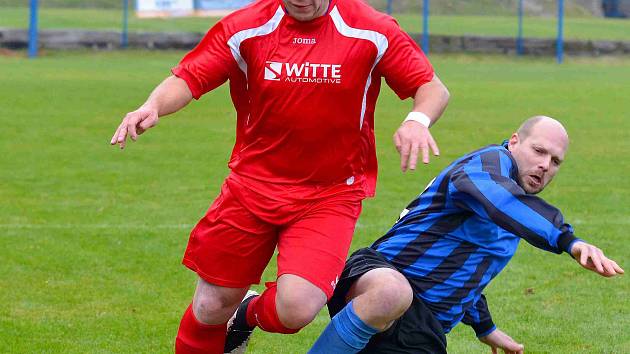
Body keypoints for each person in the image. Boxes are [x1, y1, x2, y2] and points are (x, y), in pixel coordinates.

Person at [109, 0, 450, 352]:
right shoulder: (246, 26)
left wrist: (417, 120)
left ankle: (245, 314)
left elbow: (432, 87)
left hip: (330, 193)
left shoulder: (370, 28)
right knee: (210, 306)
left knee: (296, 308)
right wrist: (152, 106)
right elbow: (190, 77)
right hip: (251, 186)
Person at [309, 116, 624, 354]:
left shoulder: (514, 210)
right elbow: (501, 200)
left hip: (424, 327)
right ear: (514, 142)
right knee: (393, 293)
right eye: (538, 151)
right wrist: (568, 240)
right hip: (379, 278)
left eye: (555, 161)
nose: (544, 165)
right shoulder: (485, 166)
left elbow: (466, 270)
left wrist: (485, 327)